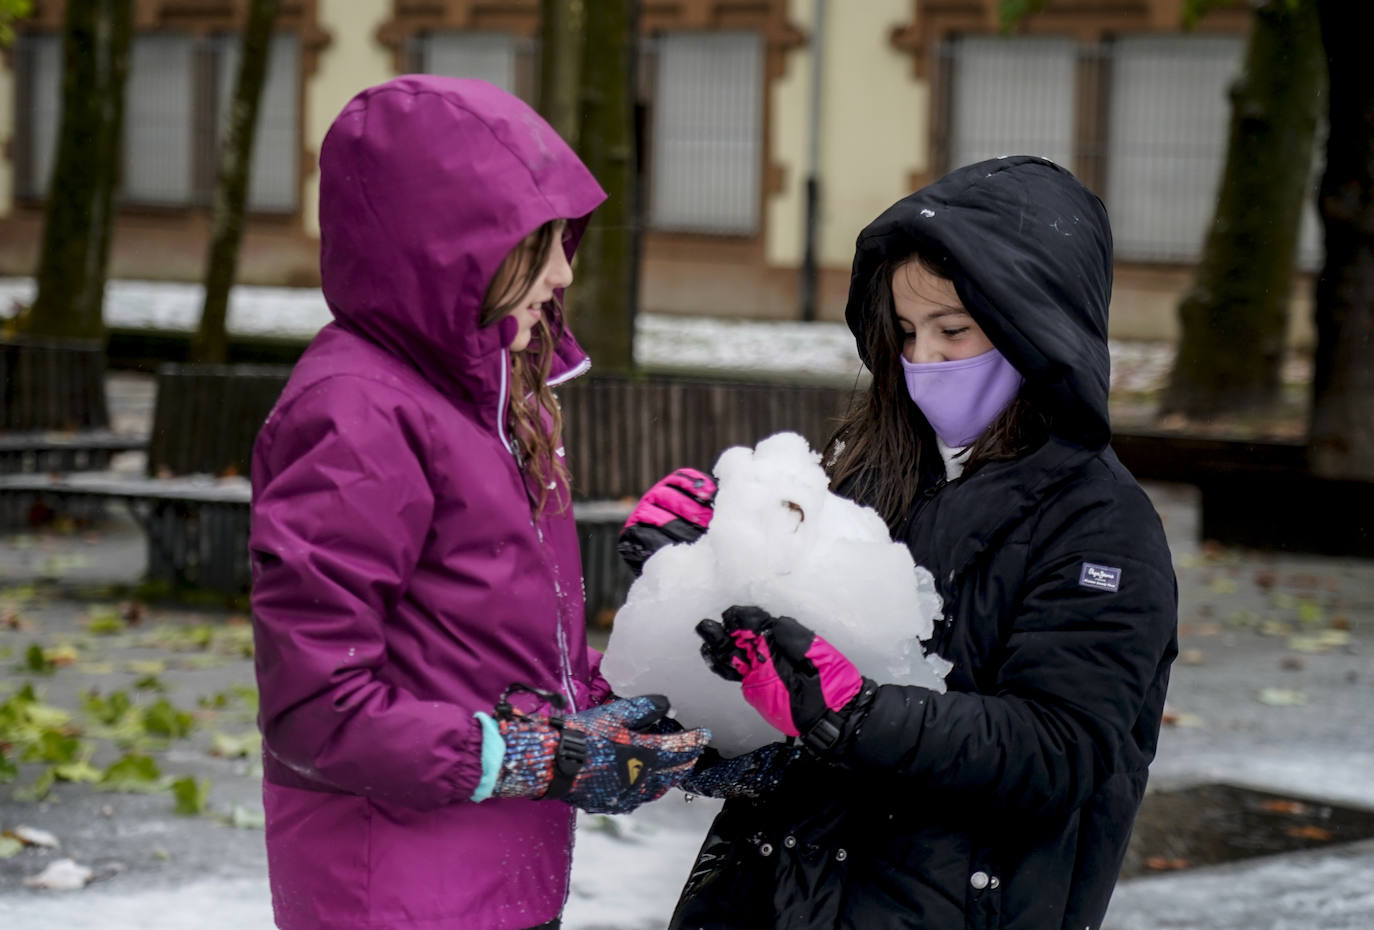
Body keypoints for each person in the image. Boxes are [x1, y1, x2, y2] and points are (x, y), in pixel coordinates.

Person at [621, 155, 1179, 929]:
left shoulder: (1101, 523)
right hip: (775, 897)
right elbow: (759, 736)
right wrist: (700, 579)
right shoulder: (872, 475)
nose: (924, 362)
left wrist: (856, 712)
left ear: (1033, 325)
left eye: (954, 331)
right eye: (907, 333)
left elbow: (1061, 749)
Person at [248, 75, 709, 930]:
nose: (565, 271)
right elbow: (315, 707)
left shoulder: (494, 402)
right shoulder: (355, 413)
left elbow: (491, 648)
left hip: (495, 875)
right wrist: (535, 756)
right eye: (538, 243)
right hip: (390, 887)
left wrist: (642, 727)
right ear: (446, 245)